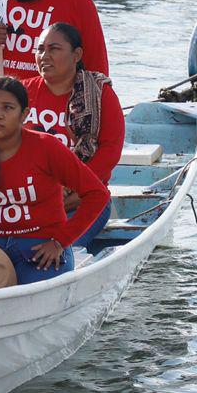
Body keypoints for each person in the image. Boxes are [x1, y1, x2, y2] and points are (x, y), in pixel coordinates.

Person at [0, 77, 110, 285]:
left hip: (42, 249)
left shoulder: (47, 147)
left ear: (24, 115)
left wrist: (60, 242)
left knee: (24, 294)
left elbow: (97, 195)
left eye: (8, 108)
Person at [22, 22, 124, 246]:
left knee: (51, 249)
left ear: (77, 54)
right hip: (24, 201)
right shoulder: (22, 92)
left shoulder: (100, 95)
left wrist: (72, 189)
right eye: (40, 49)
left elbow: (110, 151)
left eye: (54, 49)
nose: (44, 56)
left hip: (82, 200)